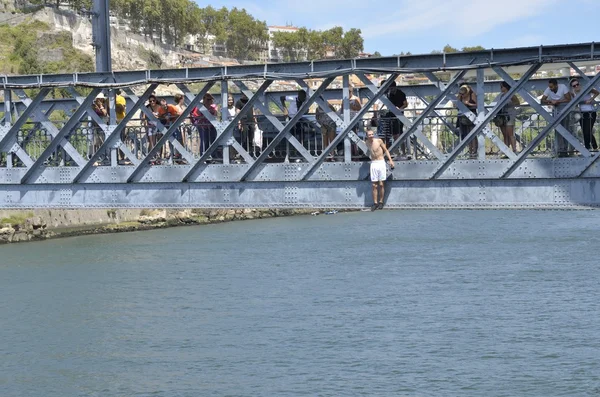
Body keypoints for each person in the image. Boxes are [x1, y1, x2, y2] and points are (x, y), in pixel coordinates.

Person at [364, 129, 394, 211]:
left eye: (372, 134)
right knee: (374, 185)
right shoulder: (366, 143)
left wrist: (390, 160)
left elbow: (386, 150)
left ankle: (381, 202)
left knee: (381, 184)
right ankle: (375, 203)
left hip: (381, 162)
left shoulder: (379, 141)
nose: (371, 135)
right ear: (367, 136)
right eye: (369, 134)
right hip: (373, 163)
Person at [541, 78, 572, 157]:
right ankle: (559, 149)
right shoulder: (548, 89)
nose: (550, 88)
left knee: (565, 129)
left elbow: (569, 99)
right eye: (549, 87)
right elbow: (542, 100)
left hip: (565, 110)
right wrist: (550, 102)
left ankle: (565, 149)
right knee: (557, 130)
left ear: (556, 85)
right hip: (555, 111)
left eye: (551, 87)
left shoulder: (563, 87)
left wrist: (558, 101)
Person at [571, 77, 599, 151]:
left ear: (579, 84)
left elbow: (597, 92)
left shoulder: (586, 88)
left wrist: (591, 99)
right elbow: (574, 102)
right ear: (572, 87)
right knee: (585, 131)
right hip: (582, 113)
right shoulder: (573, 93)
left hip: (591, 112)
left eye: (577, 84)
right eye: (574, 86)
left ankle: (590, 147)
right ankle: (590, 147)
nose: (576, 86)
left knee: (588, 130)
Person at [494, 81, 520, 154]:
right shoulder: (502, 96)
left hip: (509, 116)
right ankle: (506, 150)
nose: (501, 88)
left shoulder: (512, 95)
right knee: (505, 134)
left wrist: (509, 104)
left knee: (510, 134)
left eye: (502, 87)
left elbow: (517, 103)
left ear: (506, 87)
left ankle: (514, 150)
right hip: (502, 116)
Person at [385, 80, 409, 158]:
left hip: (399, 115)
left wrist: (399, 109)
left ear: (395, 87)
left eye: (392, 88)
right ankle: (396, 151)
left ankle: (403, 152)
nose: (391, 90)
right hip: (392, 115)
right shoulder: (389, 94)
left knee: (400, 133)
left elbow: (405, 104)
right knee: (392, 134)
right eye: (390, 88)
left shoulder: (400, 93)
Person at [456, 84, 478, 158]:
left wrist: (468, 104)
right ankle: (470, 151)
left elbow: (477, 105)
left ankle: (474, 152)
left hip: (472, 115)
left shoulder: (472, 94)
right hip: (463, 116)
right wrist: (459, 95)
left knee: (472, 134)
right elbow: (455, 105)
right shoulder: (461, 96)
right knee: (466, 134)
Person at [236, 93, 258, 157]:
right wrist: (239, 122)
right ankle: (243, 151)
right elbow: (237, 112)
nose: (245, 95)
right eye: (244, 94)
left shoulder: (250, 100)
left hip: (251, 121)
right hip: (243, 121)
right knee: (244, 136)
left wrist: (255, 120)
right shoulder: (239, 102)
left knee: (251, 135)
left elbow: (252, 110)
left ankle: (250, 151)